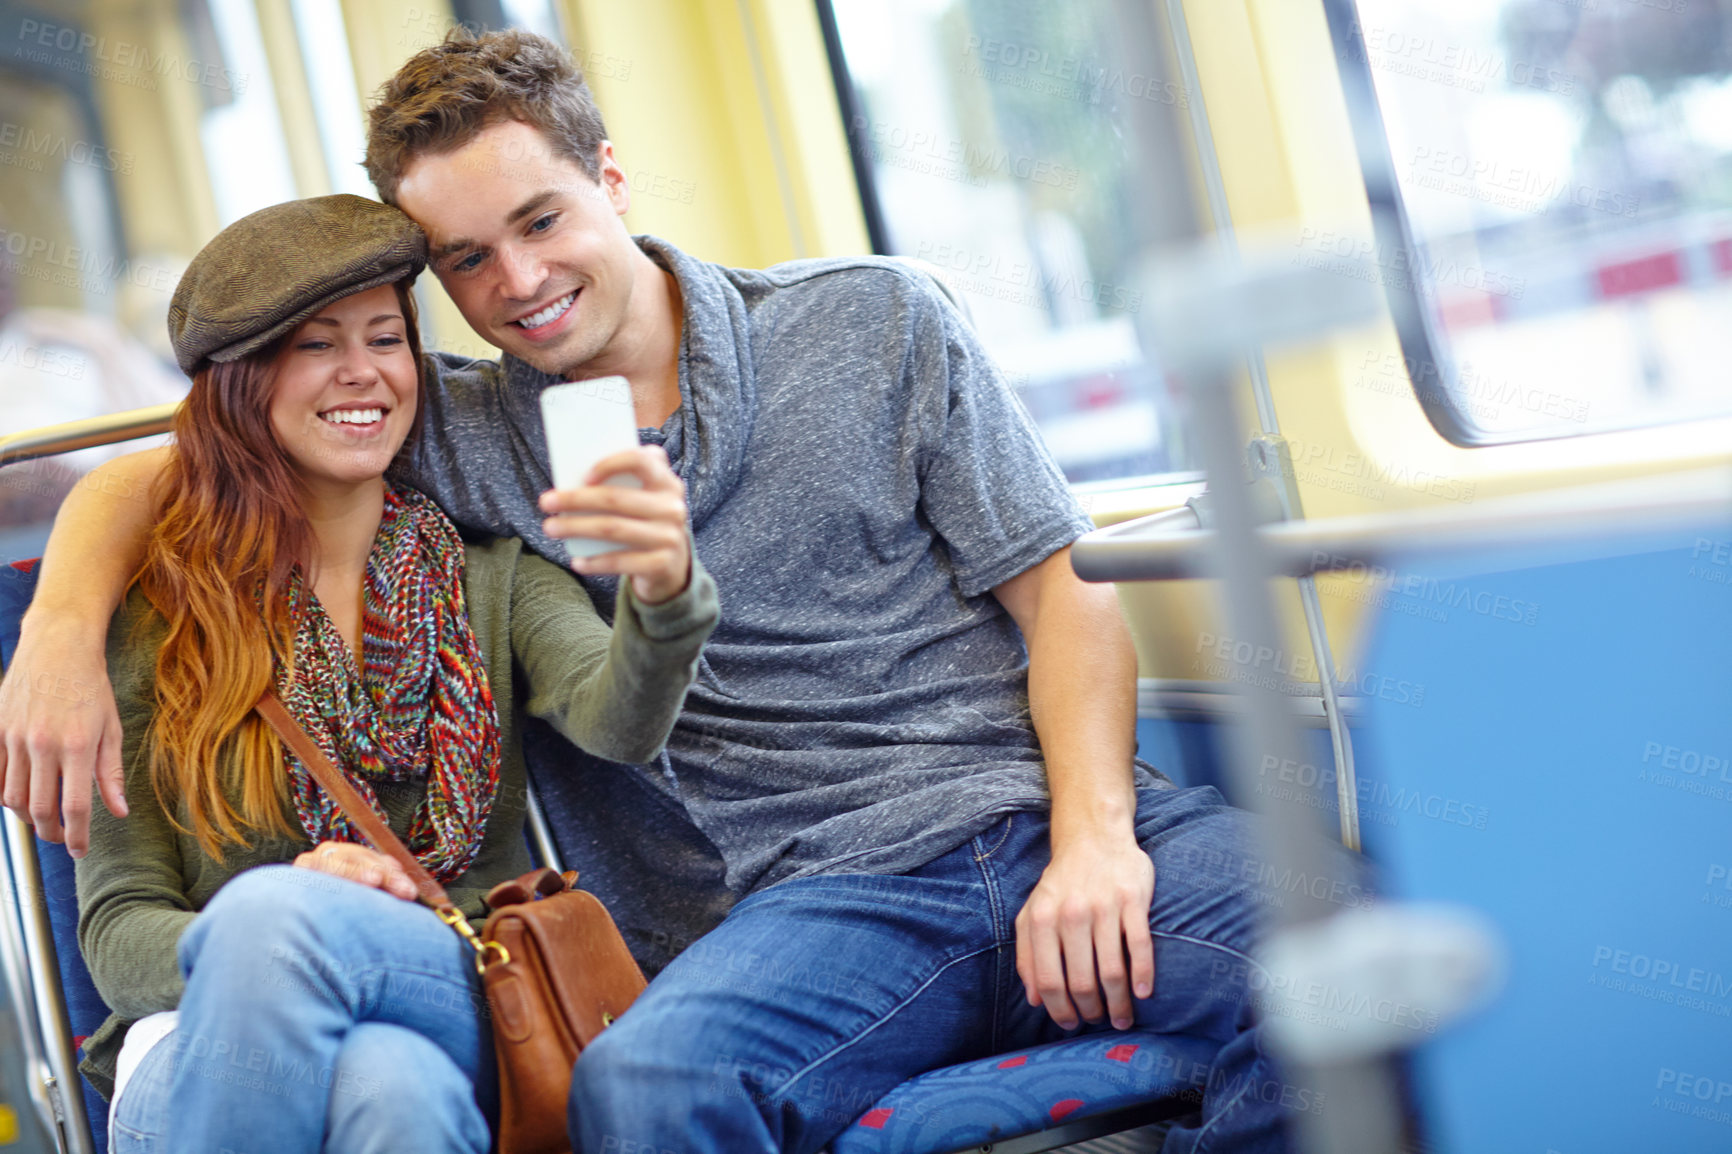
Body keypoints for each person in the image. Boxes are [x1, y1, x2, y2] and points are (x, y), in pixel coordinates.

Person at [4, 30, 1348, 1153]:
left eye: (541, 221)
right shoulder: (454, 427)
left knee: (1344, 957)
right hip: (804, 908)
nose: (517, 283)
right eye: (467, 261)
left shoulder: (875, 320)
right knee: (639, 1086)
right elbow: (204, 449)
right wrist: (60, 626)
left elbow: (1064, 600)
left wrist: (1098, 836)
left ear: (611, 178)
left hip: (1033, 813)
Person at [70, 193, 718, 1152]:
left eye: (386, 338)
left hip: (446, 975)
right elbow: (120, 933)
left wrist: (665, 596)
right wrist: (282, 925)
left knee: (286, 928)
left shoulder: (489, 576)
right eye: (317, 346)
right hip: (197, 1037)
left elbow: (618, 719)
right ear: (244, 381)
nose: (364, 373)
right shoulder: (158, 621)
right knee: (392, 1089)